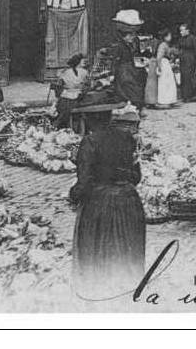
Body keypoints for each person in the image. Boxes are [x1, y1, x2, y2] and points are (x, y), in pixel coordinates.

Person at [69, 112, 145, 297]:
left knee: (99, 251)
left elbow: (84, 181)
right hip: (129, 202)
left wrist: (74, 196)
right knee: (127, 250)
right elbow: (136, 177)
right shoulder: (129, 140)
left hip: (99, 203)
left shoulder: (90, 142)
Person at [109, 10, 146, 113]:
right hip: (124, 70)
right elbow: (115, 60)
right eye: (129, 35)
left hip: (135, 68)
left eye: (133, 34)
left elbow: (138, 55)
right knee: (126, 89)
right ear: (124, 35)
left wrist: (142, 64)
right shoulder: (118, 45)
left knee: (139, 86)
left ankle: (137, 108)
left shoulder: (136, 41)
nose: (132, 37)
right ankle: (130, 109)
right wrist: (112, 73)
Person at [55, 54, 90, 129]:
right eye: (82, 61)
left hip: (67, 94)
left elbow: (59, 84)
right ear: (78, 62)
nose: (84, 62)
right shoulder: (84, 72)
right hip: (77, 94)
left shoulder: (65, 72)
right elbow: (88, 84)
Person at [176, 24, 196, 102]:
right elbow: (179, 49)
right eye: (180, 30)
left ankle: (190, 96)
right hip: (182, 60)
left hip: (190, 60)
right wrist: (177, 58)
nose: (181, 32)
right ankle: (184, 96)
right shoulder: (180, 39)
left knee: (189, 77)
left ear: (187, 30)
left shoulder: (193, 38)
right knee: (183, 77)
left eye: (182, 30)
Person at [155, 30, 177, 108]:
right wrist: (159, 66)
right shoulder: (163, 45)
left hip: (166, 63)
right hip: (163, 63)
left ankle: (169, 100)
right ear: (165, 37)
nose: (170, 37)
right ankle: (164, 100)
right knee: (164, 82)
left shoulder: (166, 45)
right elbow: (159, 57)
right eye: (169, 36)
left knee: (168, 82)